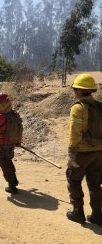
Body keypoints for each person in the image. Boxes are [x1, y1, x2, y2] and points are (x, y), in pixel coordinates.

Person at [66, 73, 102, 226]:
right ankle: (97, 215)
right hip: (99, 153)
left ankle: (78, 213)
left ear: (80, 91)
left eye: (75, 89)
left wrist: (71, 156)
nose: (74, 92)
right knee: (95, 183)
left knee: (73, 180)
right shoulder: (100, 106)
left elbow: (74, 134)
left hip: (81, 153)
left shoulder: (78, 108)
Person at [0, 92, 23, 194]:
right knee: (9, 161)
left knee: (3, 162)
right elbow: (20, 129)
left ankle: (12, 185)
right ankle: (14, 180)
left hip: (3, 144)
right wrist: (18, 141)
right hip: (13, 143)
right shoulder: (15, 114)